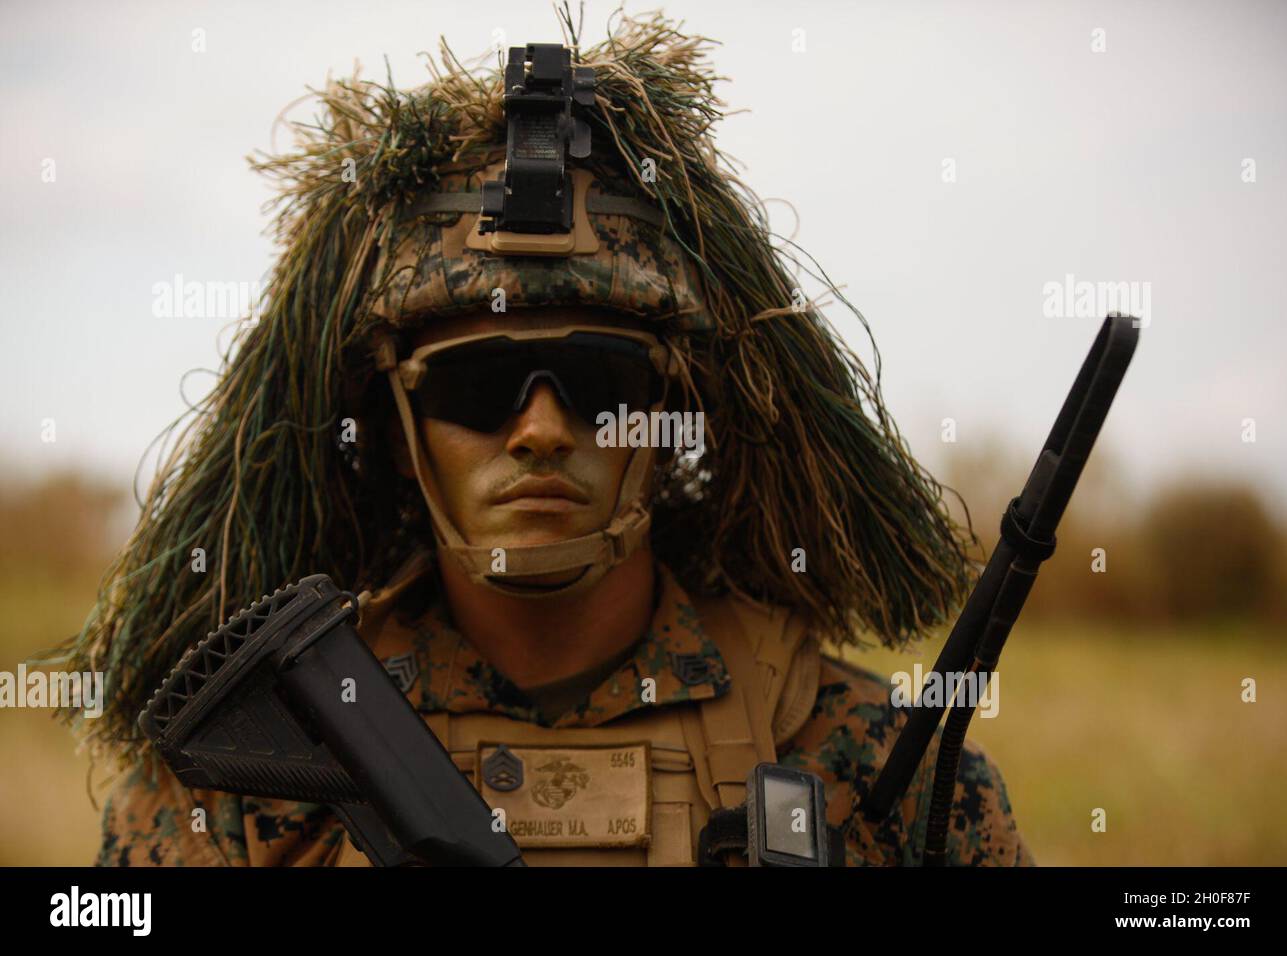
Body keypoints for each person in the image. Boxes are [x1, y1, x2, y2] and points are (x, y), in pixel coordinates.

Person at [69, 13, 1032, 867]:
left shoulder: (870, 770)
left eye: (598, 387)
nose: (539, 430)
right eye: (478, 386)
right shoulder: (257, 782)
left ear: (667, 421)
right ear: (401, 435)